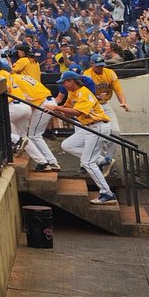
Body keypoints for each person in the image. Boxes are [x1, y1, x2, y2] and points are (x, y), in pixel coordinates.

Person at [49, 71, 117, 205]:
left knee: (87, 162)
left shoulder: (84, 92)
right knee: (67, 145)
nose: (63, 85)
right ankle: (103, 160)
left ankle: (107, 194)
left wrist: (56, 107)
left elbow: (76, 112)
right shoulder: (73, 93)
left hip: (98, 126)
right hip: (88, 127)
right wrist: (56, 110)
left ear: (72, 81)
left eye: (64, 82)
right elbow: (67, 108)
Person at [0, 58, 58, 172]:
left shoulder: (3, 76)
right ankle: (42, 162)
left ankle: (17, 141)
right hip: (28, 106)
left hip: (30, 105)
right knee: (24, 137)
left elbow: (8, 90)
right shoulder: (19, 77)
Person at [87, 53, 129, 172]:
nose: (100, 68)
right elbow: (86, 94)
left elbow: (118, 90)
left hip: (105, 105)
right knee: (98, 135)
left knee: (115, 132)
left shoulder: (109, 73)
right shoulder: (87, 75)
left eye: (101, 65)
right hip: (93, 107)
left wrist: (123, 102)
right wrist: (97, 95)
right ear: (92, 64)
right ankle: (99, 162)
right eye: (97, 66)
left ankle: (109, 160)